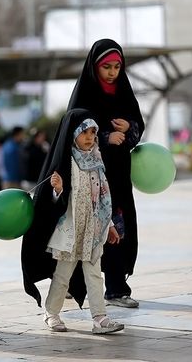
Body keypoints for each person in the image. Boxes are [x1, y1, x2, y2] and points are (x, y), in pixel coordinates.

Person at [22, 108, 124, 334]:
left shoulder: (96, 159)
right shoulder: (65, 163)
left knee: (95, 275)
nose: (90, 137)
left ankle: (100, 318)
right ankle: (51, 313)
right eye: (84, 132)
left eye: (93, 132)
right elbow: (51, 204)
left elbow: (103, 198)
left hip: (93, 230)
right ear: (72, 133)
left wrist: (109, 226)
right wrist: (58, 190)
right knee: (62, 276)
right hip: (71, 231)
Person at [66, 39, 144, 308]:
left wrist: (129, 127)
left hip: (118, 176)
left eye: (117, 67)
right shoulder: (85, 93)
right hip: (90, 175)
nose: (112, 72)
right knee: (88, 228)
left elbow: (137, 127)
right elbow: (73, 129)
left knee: (117, 227)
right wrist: (105, 137)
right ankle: (72, 286)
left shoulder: (123, 92)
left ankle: (116, 289)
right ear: (94, 67)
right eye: (106, 67)